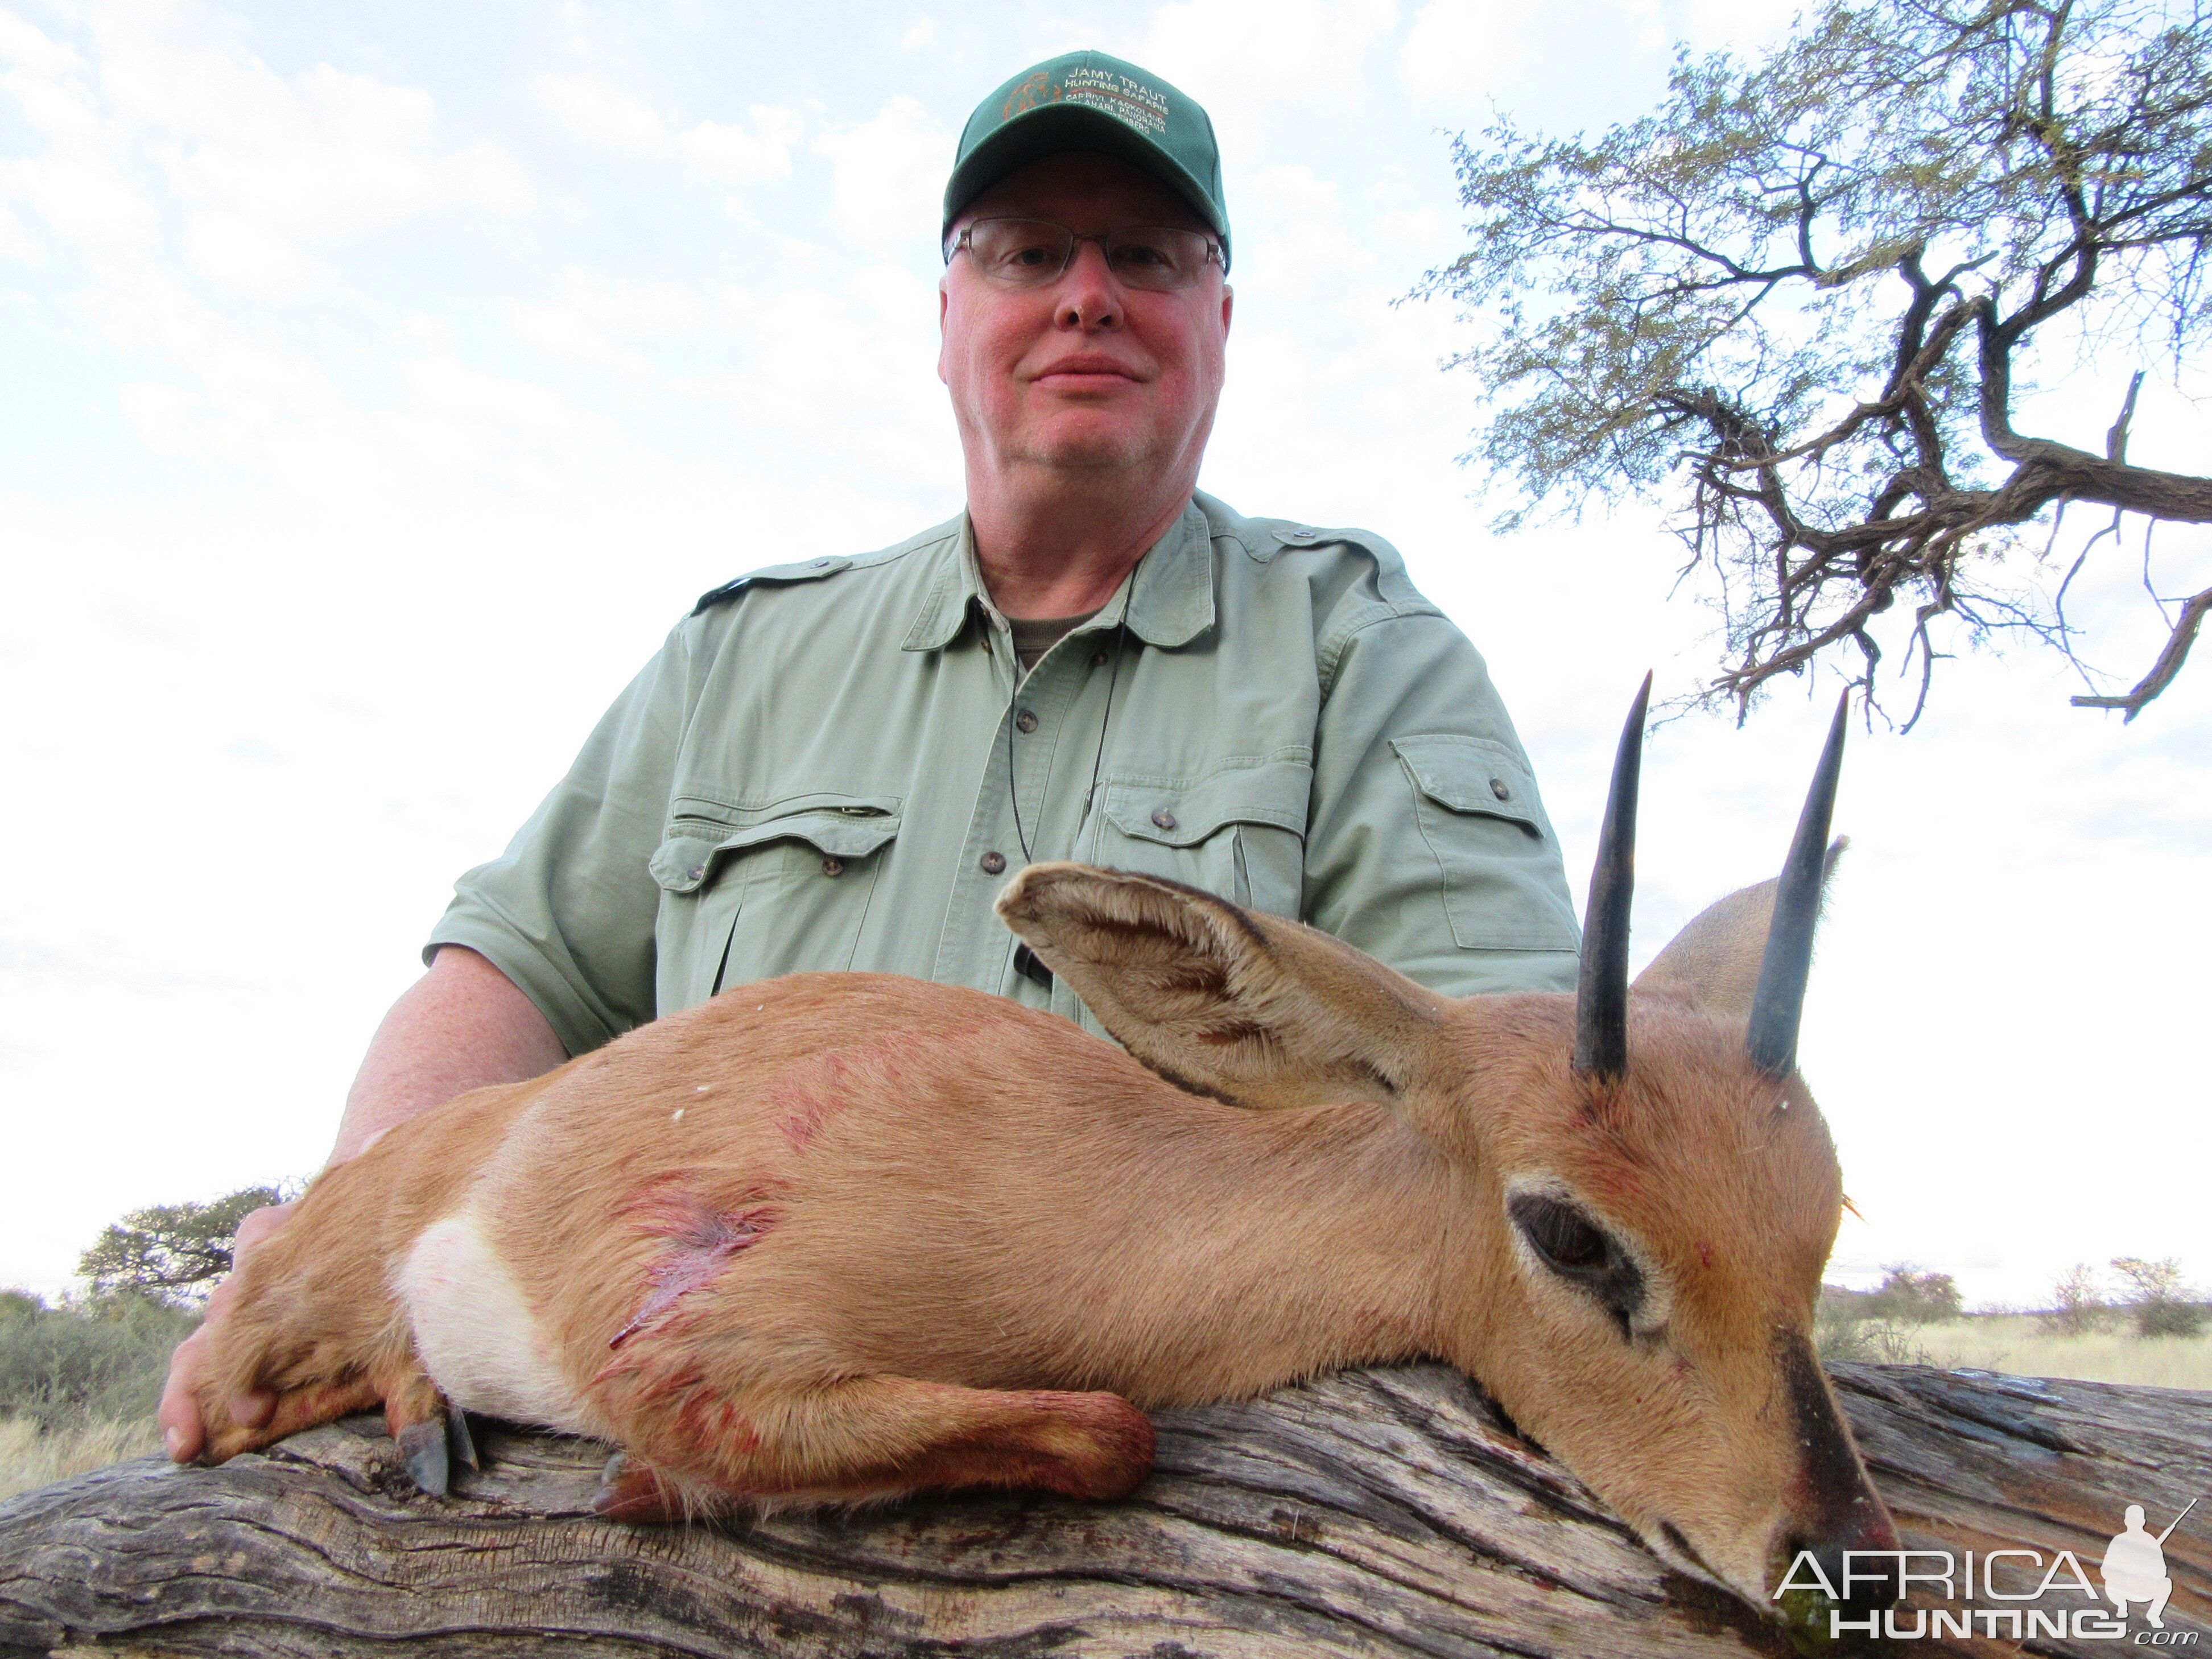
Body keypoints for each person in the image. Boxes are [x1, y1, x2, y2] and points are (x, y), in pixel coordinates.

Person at [160, 49, 1580, 1461]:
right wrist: (352, 1240)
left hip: (1140, 1494)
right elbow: (510, 971)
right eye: (1029, 252)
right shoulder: (745, 655)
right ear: (950, 310)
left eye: (1146, 255)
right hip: (662, 1466)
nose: (1088, 294)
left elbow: (1524, 1123)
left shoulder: (1363, 650)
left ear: (1219, 311)